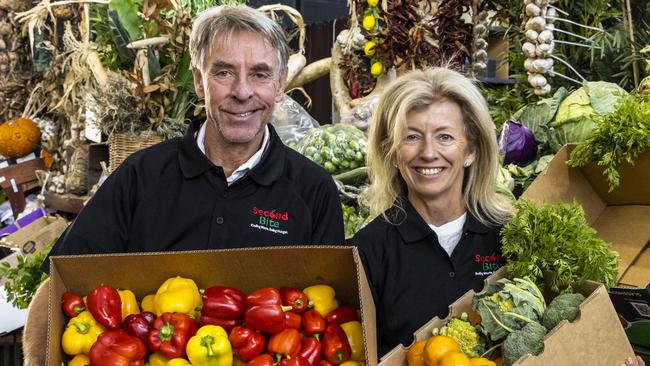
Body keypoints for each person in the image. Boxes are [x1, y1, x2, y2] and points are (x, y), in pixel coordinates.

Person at [23, 5, 344, 365]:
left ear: (280, 82)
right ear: (197, 79)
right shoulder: (140, 177)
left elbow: (328, 323)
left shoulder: (313, 191)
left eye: (259, 74)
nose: (242, 92)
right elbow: (58, 285)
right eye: (223, 72)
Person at [351, 67, 513, 357]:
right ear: (392, 151)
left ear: (471, 150)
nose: (428, 152)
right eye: (411, 137)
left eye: (445, 137)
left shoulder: (510, 236)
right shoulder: (366, 252)